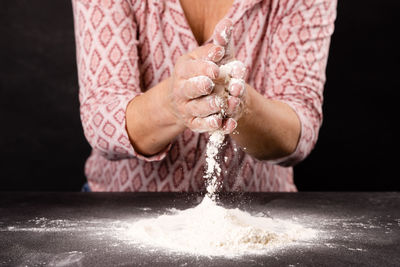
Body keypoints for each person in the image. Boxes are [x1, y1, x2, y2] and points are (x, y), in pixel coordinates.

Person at [72, 0, 337, 192]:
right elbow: (101, 119)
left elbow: (301, 132)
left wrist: (240, 105)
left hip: (261, 220)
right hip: (122, 217)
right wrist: (176, 103)